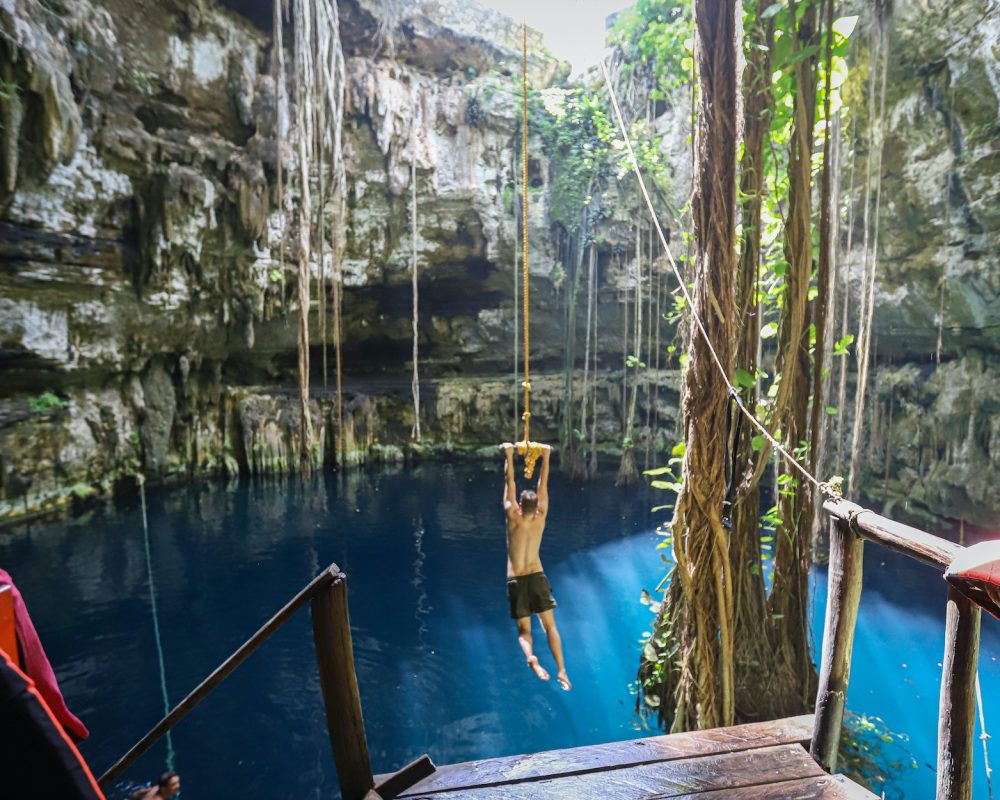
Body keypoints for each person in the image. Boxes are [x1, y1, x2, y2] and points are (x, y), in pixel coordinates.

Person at [500, 442, 571, 691]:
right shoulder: (541, 516)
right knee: (550, 626)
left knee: (524, 632)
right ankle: (561, 670)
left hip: (516, 579)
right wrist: (546, 457)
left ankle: (531, 658)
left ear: (520, 506)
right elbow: (544, 485)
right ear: (535, 507)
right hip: (537, 575)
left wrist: (509, 454)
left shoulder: (513, 517)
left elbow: (510, 483)